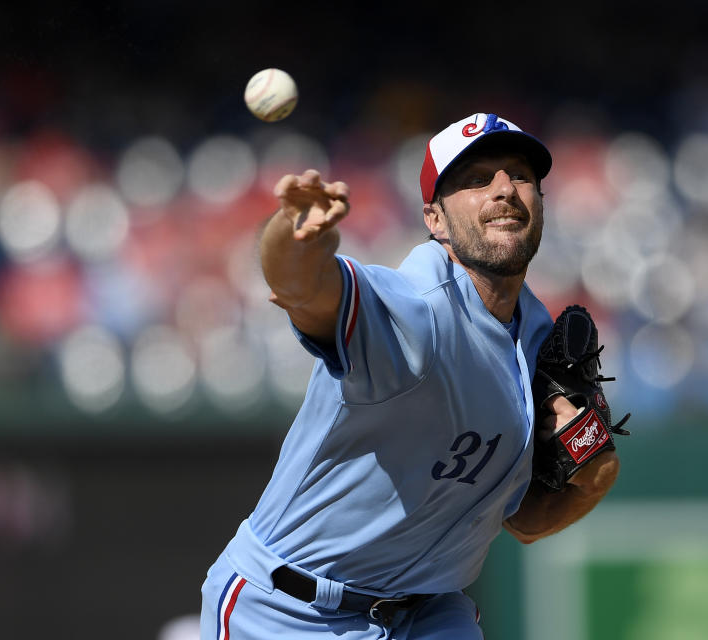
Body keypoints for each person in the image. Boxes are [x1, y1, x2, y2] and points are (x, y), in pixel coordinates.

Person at [200, 113, 620, 639]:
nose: (504, 190)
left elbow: (530, 521)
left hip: (428, 615)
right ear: (435, 219)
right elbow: (302, 288)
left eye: (520, 175)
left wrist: (594, 467)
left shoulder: (535, 337)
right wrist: (295, 236)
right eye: (475, 179)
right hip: (293, 611)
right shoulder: (414, 312)